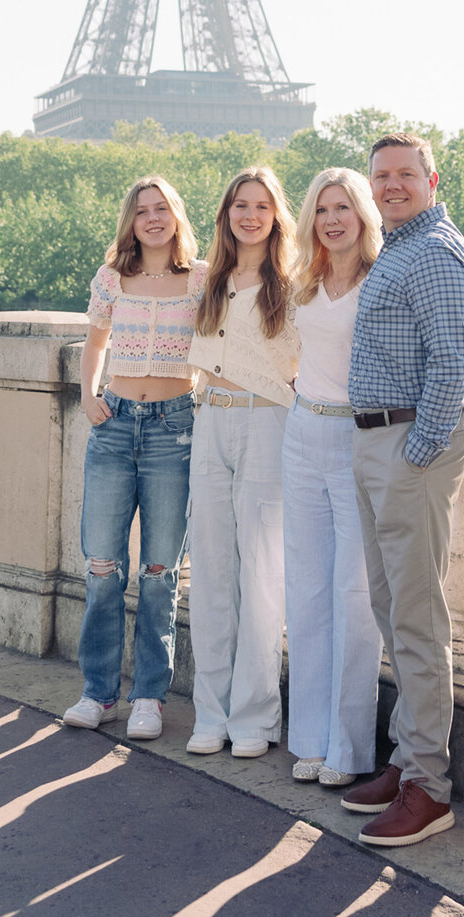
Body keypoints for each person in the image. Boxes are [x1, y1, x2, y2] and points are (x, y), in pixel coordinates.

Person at [341, 132, 464, 847]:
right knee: (391, 607)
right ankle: (406, 758)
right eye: (381, 176)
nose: (391, 185)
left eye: (404, 174)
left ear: (432, 177)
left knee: (419, 620)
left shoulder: (435, 251)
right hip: (378, 442)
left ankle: (430, 785)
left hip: (405, 448)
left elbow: (454, 362)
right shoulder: (399, 245)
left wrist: (417, 452)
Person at [62, 176, 205, 742]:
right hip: (116, 426)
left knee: (159, 573)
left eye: (162, 208)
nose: (152, 218)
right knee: (102, 568)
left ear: (176, 215)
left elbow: (224, 342)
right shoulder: (111, 279)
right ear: (131, 220)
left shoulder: (200, 279)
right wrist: (88, 394)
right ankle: (98, 693)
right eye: (142, 210)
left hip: (176, 428)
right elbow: (95, 343)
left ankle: (149, 696)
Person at [185, 166, 300, 758]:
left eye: (261, 205)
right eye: (239, 205)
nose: (249, 214)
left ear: (277, 215)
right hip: (210, 418)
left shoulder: (296, 282)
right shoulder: (207, 281)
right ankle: (211, 712)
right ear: (226, 214)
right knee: (208, 572)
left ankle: (254, 718)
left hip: (267, 422)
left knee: (260, 574)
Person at [282, 167, 385, 788]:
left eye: (344, 207)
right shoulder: (303, 282)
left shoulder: (380, 280)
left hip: (355, 438)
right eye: (323, 209)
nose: (332, 218)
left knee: (353, 596)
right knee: (308, 593)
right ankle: (311, 739)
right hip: (301, 433)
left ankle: (348, 751)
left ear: (363, 215)